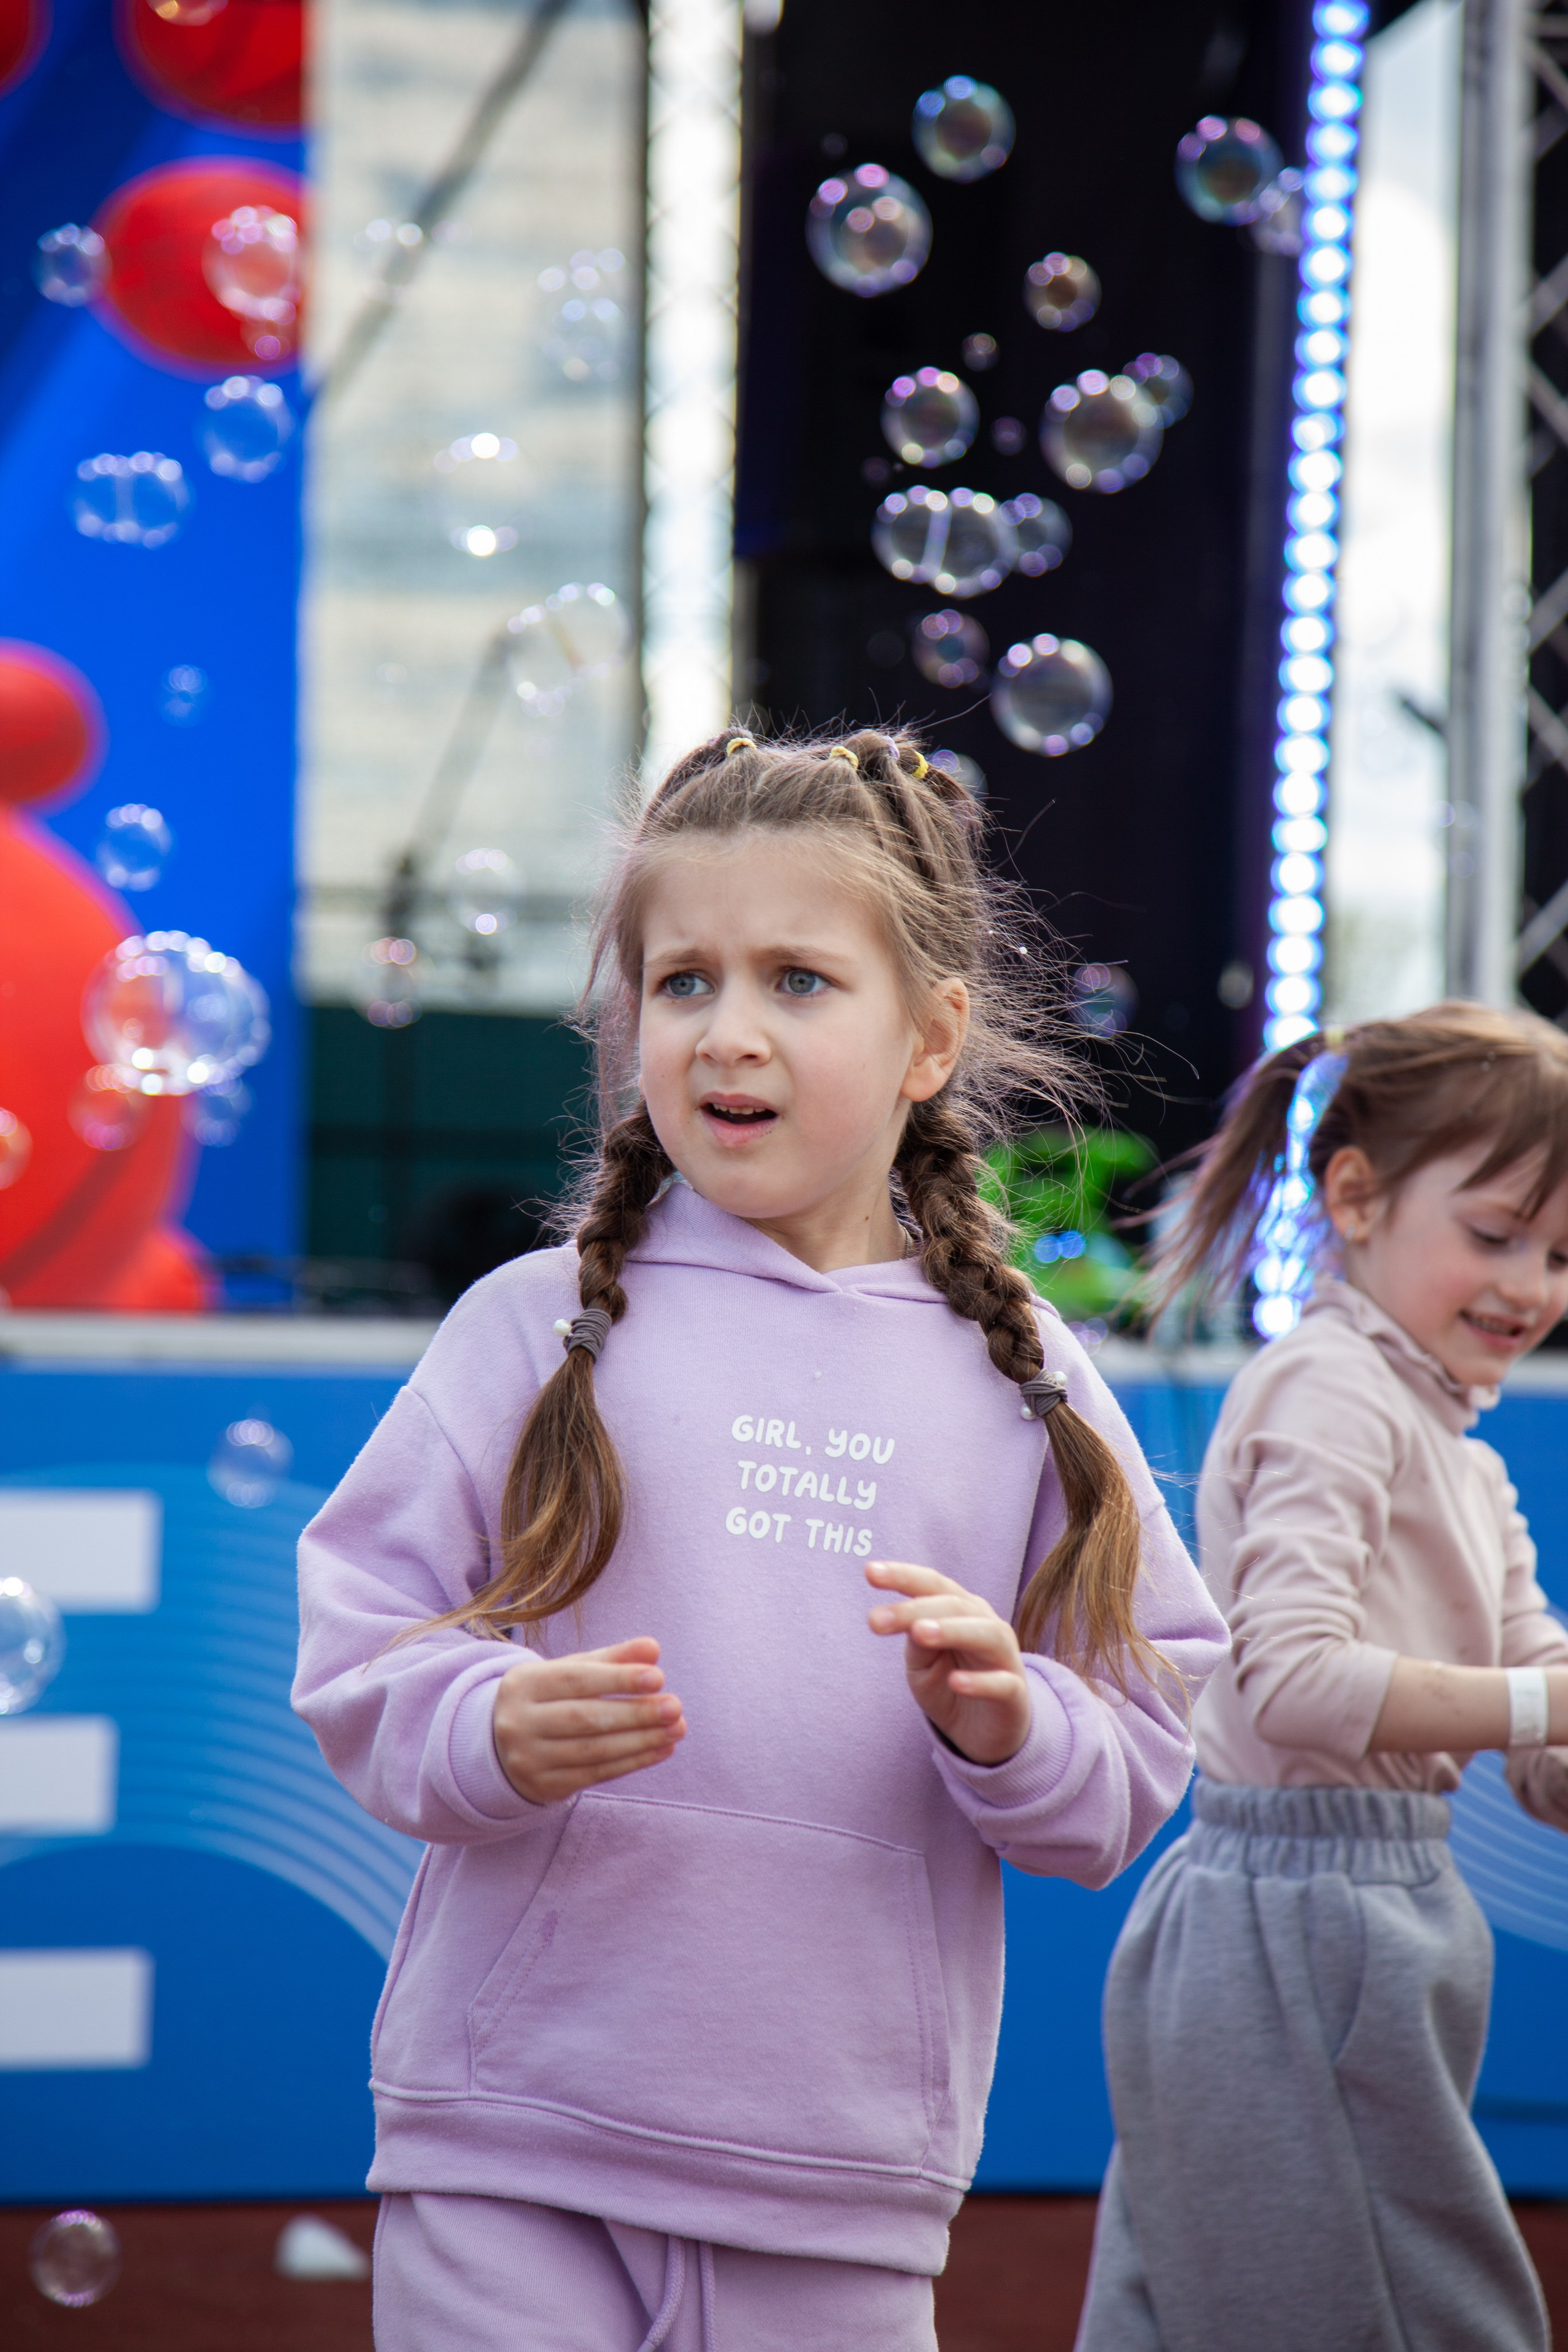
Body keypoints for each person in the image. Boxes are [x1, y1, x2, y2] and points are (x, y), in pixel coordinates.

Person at [292, 727, 1227, 2352]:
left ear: (932, 1037)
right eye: (682, 981)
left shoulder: (1026, 1373)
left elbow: (1142, 1738)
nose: (729, 1031)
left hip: (842, 2175)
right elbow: (361, 1651)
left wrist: (1015, 1723)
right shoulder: (532, 1326)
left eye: (799, 980)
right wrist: (484, 1722)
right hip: (506, 2135)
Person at [1076, 1003, 1568, 2352]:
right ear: (1351, 1196)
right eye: (1492, 1235)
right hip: (1294, 1924)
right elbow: (1291, 1681)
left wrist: (1550, 1718)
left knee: (1182, 2309)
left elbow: (1539, 1732)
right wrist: (1545, 1706)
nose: (1528, 1286)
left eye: (1560, 1253)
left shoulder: (1457, 1449)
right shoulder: (1332, 1388)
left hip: (1342, 1919)